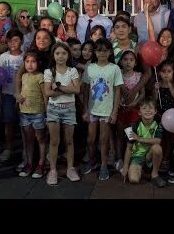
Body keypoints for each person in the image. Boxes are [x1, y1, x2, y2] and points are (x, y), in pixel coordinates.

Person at [81, 38, 123, 181]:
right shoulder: (90, 67)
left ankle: (104, 165)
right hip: (92, 110)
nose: (102, 53)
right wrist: (85, 109)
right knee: (90, 139)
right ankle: (93, 161)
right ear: (95, 52)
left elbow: (117, 91)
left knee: (103, 140)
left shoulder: (114, 68)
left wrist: (114, 112)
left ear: (110, 52)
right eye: (99, 50)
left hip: (106, 111)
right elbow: (85, 90)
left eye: (105, 50)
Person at [44, 43, 81, 185]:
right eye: (57, 53)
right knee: (54, 141)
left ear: (68, 55)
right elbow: (48, 92)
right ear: (53, 55)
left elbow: (77, 89)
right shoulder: (49, 71)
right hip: (53, 109)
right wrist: (67, 89)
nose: (60, 56)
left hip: (69, 109)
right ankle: (52, 170)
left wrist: (58, 86)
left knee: (69, 141)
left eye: (64, 53)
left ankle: (70, 168)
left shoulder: (72, 71)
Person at [121, 97, 167, 187]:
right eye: (144, 108)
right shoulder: (133, 126)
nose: (148, 111)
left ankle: (154, 175)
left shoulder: (158, 124)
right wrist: (125, 167)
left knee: (157, 148)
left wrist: (139, 138)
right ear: (139, 112)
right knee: (133, 180)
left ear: (155, 111)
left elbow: (158, 140)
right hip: (137, 156)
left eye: (151, 108)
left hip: (150, 154)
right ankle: (142, 170)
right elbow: (129, 148)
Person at [16, 51, 47, 179]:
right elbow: (19, 93)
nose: (30, 64)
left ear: (38, 63)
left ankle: (41, 164)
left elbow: (45, 96)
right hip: (24, 113)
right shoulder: (23, 76)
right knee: (29, 139)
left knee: (40, 138)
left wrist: (47, 112)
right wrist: (18, 99)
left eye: (33, 61)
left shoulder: (40, 76)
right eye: (27, 61)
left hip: (38, 113)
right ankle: (29, 163)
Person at [115, 50, 144, 173]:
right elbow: (114, 90)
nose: (128, 62)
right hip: (121, 109)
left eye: (131, 60)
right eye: (125, 59)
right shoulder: (118, 74)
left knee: (131, 136)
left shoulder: (138, 75)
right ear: (121, 61)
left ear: (135, 63)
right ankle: (119, 159)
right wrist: (118, 103)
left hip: (134, 110)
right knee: (120, 135)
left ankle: (133, 159)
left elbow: (142, 94)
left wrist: (134, 103)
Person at [0, 29, 24, 163]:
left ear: (21, 41)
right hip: (7, 94)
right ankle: (9, 148)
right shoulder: (3, 57)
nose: (13, 43)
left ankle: (26, 149)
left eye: (16, 40)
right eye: (10, 40)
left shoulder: (25, 57)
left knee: (24, 122)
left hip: (23, 95)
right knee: (8, 122)